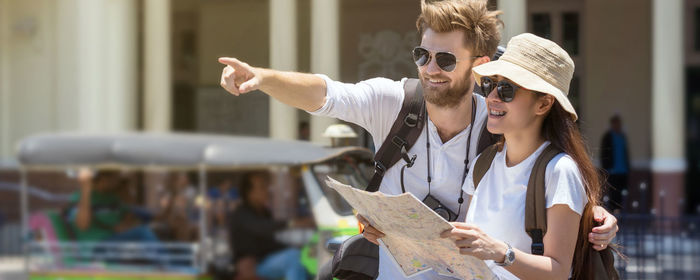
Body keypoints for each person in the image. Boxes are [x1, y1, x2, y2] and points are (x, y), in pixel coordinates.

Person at [218, 1, 618, 278]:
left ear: (477, 65)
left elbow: (547, 188)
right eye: (422, 56)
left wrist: (594, 219)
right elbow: (326, 93)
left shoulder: (495, 126)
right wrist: (263, 78)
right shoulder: (395, 101)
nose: (430, 69)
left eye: (445, 60)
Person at [442, 33, 613, 279]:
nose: (491, 97)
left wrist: (500, 252)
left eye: (507, 90)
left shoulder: (559, 170)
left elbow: (558, 270)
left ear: (543, 104)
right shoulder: (483, 163)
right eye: (490, 85)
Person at [229, 171, 313, 280]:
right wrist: (293, 223)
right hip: (253, 265)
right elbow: (261, 228)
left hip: (265, 261)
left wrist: (300, 247)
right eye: (261, 187)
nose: (266, 191)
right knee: (293, 258)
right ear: (249, 193)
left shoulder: (264, 212)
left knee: (305, 258)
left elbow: (270, 242)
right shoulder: (241, 214)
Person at [70, 168, 158, 243]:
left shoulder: (112, 197)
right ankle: (168, 263)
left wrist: (125, 224)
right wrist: (86, 189)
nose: (118, 180)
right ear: (104, 179)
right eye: (116, 177)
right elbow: (82, 225)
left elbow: (129, 214)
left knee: (146, 227)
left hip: (115, 237)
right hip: (97, 243)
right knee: (143, 232)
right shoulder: (79, 196)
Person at [600, 114, 630, 213]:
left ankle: (621, 211)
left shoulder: (622, 136)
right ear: (612, 124)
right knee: (613, 192)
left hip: (623, 170)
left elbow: (626, 153)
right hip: (612, 170)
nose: (617, 125)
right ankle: (613, 211)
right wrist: (606, 168)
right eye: (615, 123)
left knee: (623, 192)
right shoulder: (607, 137)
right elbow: (604, 153)